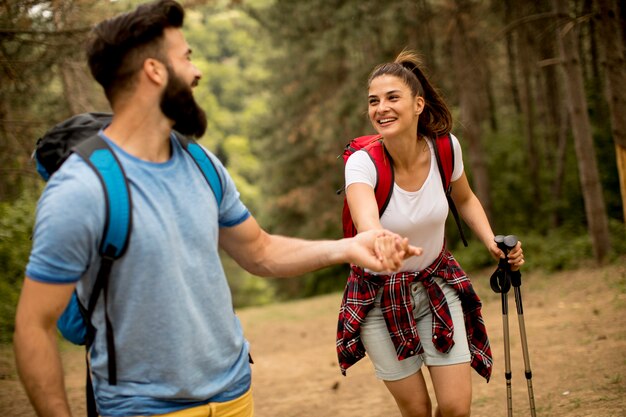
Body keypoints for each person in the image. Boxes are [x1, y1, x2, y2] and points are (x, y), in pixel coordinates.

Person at [12, 2, 422, 417]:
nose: (196, 72)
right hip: (144, 409)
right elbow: (33, 326)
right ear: (154, 71)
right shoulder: (80, 188)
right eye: (186, 58)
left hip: (233, 396)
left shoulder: (201, 163)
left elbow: (260, 251)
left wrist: (349, 248)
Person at [336, 50, 525, 417]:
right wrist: (382, 240)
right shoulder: (362, 164)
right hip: (380, 296)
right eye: (374, 101)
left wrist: (490, 241)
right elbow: (367, 223)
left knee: (455, 408)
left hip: (437, 284)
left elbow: (466, 198)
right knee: (419, 411)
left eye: (393, 98)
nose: (381, 108)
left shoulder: (444, 148)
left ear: (418, 104)